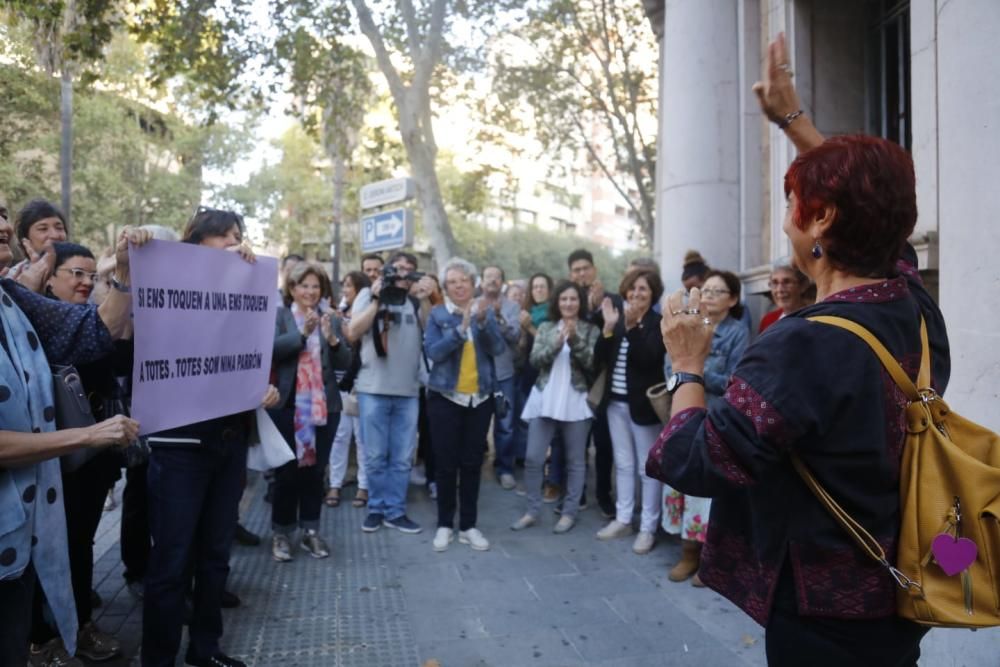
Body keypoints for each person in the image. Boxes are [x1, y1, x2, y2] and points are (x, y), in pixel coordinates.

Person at [646, 32, 948, 665]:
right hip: (902, 579)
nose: (786, 217)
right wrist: (794, 123)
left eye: (793, 202)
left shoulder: (799, 345)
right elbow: (886, 228)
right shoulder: (913, 307)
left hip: (822, 608)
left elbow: (693, 459)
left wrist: (687, 366)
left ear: (821, 220)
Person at [0, 213, 144, 667]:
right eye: (74, 274)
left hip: (30, 510)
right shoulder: (21, 297)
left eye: (3, 217)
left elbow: (101, 331)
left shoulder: (13, 300)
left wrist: (123, 270)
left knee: (68, 551)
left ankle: (61, 634)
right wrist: (86, 434)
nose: (3, 227)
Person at [142, 208, 280, 667]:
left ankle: (205, 649)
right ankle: (158, 659)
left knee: (216, 555)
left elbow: (251, 357)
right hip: (180, 448)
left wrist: (266, 388)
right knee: (172, 561)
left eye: (239, 235)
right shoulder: (167, 284)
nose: (235, 243)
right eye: (225, 236)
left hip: (228, 440)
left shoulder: (246, 288)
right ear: (197, 243)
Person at [27, 243, 129, 663]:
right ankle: (38, 635)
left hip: (94, 455)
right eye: (76, 274)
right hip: (45, 458)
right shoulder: (36, 326)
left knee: (81, 542)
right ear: (47, 279)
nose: (86, 282)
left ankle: (80, 625)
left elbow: (120, 357)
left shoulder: (97, 322)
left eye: (92, 275)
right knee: (44, 548)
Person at [660, 269, 749, 585]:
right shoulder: (689, 324)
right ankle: (686, 552)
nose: (708, 296)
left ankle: (708, 560)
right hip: (685, 410)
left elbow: (735, 379)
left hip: (716, 414)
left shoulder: (737, 333)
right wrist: (684, 370)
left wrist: (695, 370)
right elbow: (670, 362)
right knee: (682, 481)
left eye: (716, 291)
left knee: (709, 490)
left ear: (733, 299)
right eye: (706, 290)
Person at [346, 251, 436, 535]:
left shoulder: (413, 301)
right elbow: (352, 332)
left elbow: (432, 331)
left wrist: (427, 297)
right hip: (373, 388)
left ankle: (395, 511)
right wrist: (376, 299)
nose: (403, 274)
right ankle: (376, 508)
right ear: (386, 271)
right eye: (398, 268)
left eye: (410, 270)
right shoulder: (367, 294)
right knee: (374, 455)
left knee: (402, 457)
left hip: (408, 390)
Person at [423, 258, 506, 552]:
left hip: (479, 399)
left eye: (464, 281)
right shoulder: (437, 314)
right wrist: (460, 329)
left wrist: (482, 322)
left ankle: (469, 525)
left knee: (472, 463)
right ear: (446, 287)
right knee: (445, 465)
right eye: (453, 282)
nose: (459, 286)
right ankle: (445, 524)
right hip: (445, 398)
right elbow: (433, 352)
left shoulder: (485, 312)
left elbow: (497, 348)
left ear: (474, 284)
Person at [268, 262, 349, 562]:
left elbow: (345, 363)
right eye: (304, 286)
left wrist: (332, 339)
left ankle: (310, 531)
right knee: (286, 473)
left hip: (324, 408)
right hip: (288, 407)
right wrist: (302, 333)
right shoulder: (280, 316)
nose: (311, 292)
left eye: (316, 286)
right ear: (292, 289)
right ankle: (281, 532)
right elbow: (272, 351)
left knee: (315, 473)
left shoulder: (332, 318)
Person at [511, 281, 599, 534]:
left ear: (580, 302)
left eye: (573, 299)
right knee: (533, 457)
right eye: (563, 299)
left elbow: (593, 364)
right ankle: (531, 510)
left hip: (576, 399)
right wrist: (557, 345)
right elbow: (535, 359)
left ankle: (569, 512)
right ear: (557, 303)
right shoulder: (547, 327)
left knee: (575, 461)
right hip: (545, 396)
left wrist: (576, 342)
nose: (568, 304)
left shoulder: (590, 329)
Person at [594, 268, 666, 555]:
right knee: (622, 464)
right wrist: (609, 329)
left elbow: (649, 360)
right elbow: (599, 357)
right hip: (615, 402)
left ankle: (648, 527)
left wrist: (635, 327)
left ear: (652, 294)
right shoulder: (618, 321)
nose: (636, 294)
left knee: (647, 468)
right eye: (632, 289)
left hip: (644, 406)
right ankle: (623, 518)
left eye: (643, 290)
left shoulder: (658, 323)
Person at [564, 249, 617, 518]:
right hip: (575, 384)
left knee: (604, 443)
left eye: (585, 268)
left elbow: (612, 337)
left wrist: (598, 310)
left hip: (603, 385)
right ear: (570, 274)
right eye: (576, 270)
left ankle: (604, 494)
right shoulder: (569, 302)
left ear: (594, 269)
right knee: (577, 444)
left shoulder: (612, 300)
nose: (581, 273)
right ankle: (577, 492)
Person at [326, 271, 370, 509]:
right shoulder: (336, 315)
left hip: (362, 385)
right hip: (339, 385)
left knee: (362, 438)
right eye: (343, 285)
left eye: (349, 286)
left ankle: (364, 486)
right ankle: (335, 483)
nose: (344, 290)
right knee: (339, 437)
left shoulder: (367, 314)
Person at [479, 264, 521, 490]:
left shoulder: (512, 306)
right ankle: (472, 466)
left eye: (497, 277)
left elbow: (515, 336)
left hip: (504, 372)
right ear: (481, 280)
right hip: (479, 373)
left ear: (503, 282)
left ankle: (504, 468)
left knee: (506, 423)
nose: (492, 280)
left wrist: (499, 318)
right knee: (476, 423)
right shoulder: (473, 304)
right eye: (488, 276)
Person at [759, 258, 813, 333]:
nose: (780, 289)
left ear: (802, 286)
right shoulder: (768, 321)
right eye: (775, 282)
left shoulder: (814, 319)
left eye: (787, 282)